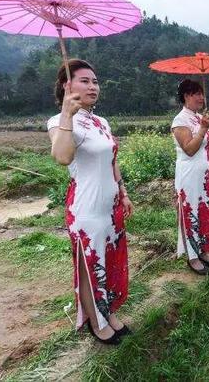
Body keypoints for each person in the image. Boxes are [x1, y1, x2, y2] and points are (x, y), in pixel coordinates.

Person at [47, 59, 133, 345]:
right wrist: (67, 116)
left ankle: (107, 312)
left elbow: (112, 160)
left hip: (109, 206)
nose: (93, 86)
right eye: (84, 80)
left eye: (95, 81)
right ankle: (95, 321)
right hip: (86, 209)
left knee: (109, 262)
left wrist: (123, 192)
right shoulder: (58, 122)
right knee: (90, 265)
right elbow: (62, 157)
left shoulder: (101, 121)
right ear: (66, 85)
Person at [171, 79, 209, 276]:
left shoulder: (200, 117)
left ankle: (202, 249)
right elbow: (189, 149)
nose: (201, 97)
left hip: (204, 172)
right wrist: (202, 129)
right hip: (189, 174)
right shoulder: (180, 120)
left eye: (202, 93)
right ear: (186, 96)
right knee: (191, 210)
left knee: (204, 210)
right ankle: (192, 256)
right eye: (196, 93)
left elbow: (208, 146)